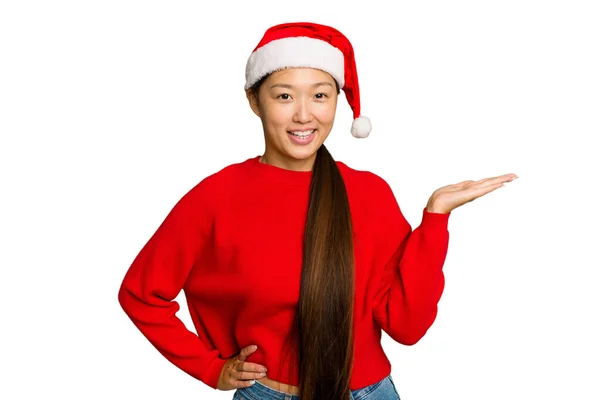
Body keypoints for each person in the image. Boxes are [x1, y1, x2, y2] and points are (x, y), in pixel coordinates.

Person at [118, 22, 517, 400]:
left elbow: (407, 326)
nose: (304, 115)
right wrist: (209, 368)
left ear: (337, 102)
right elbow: (141, 294)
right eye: (284, 95)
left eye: (320, 95)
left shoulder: (370, 193)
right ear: (255, 101)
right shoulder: (216, 196)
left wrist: (435, 219)